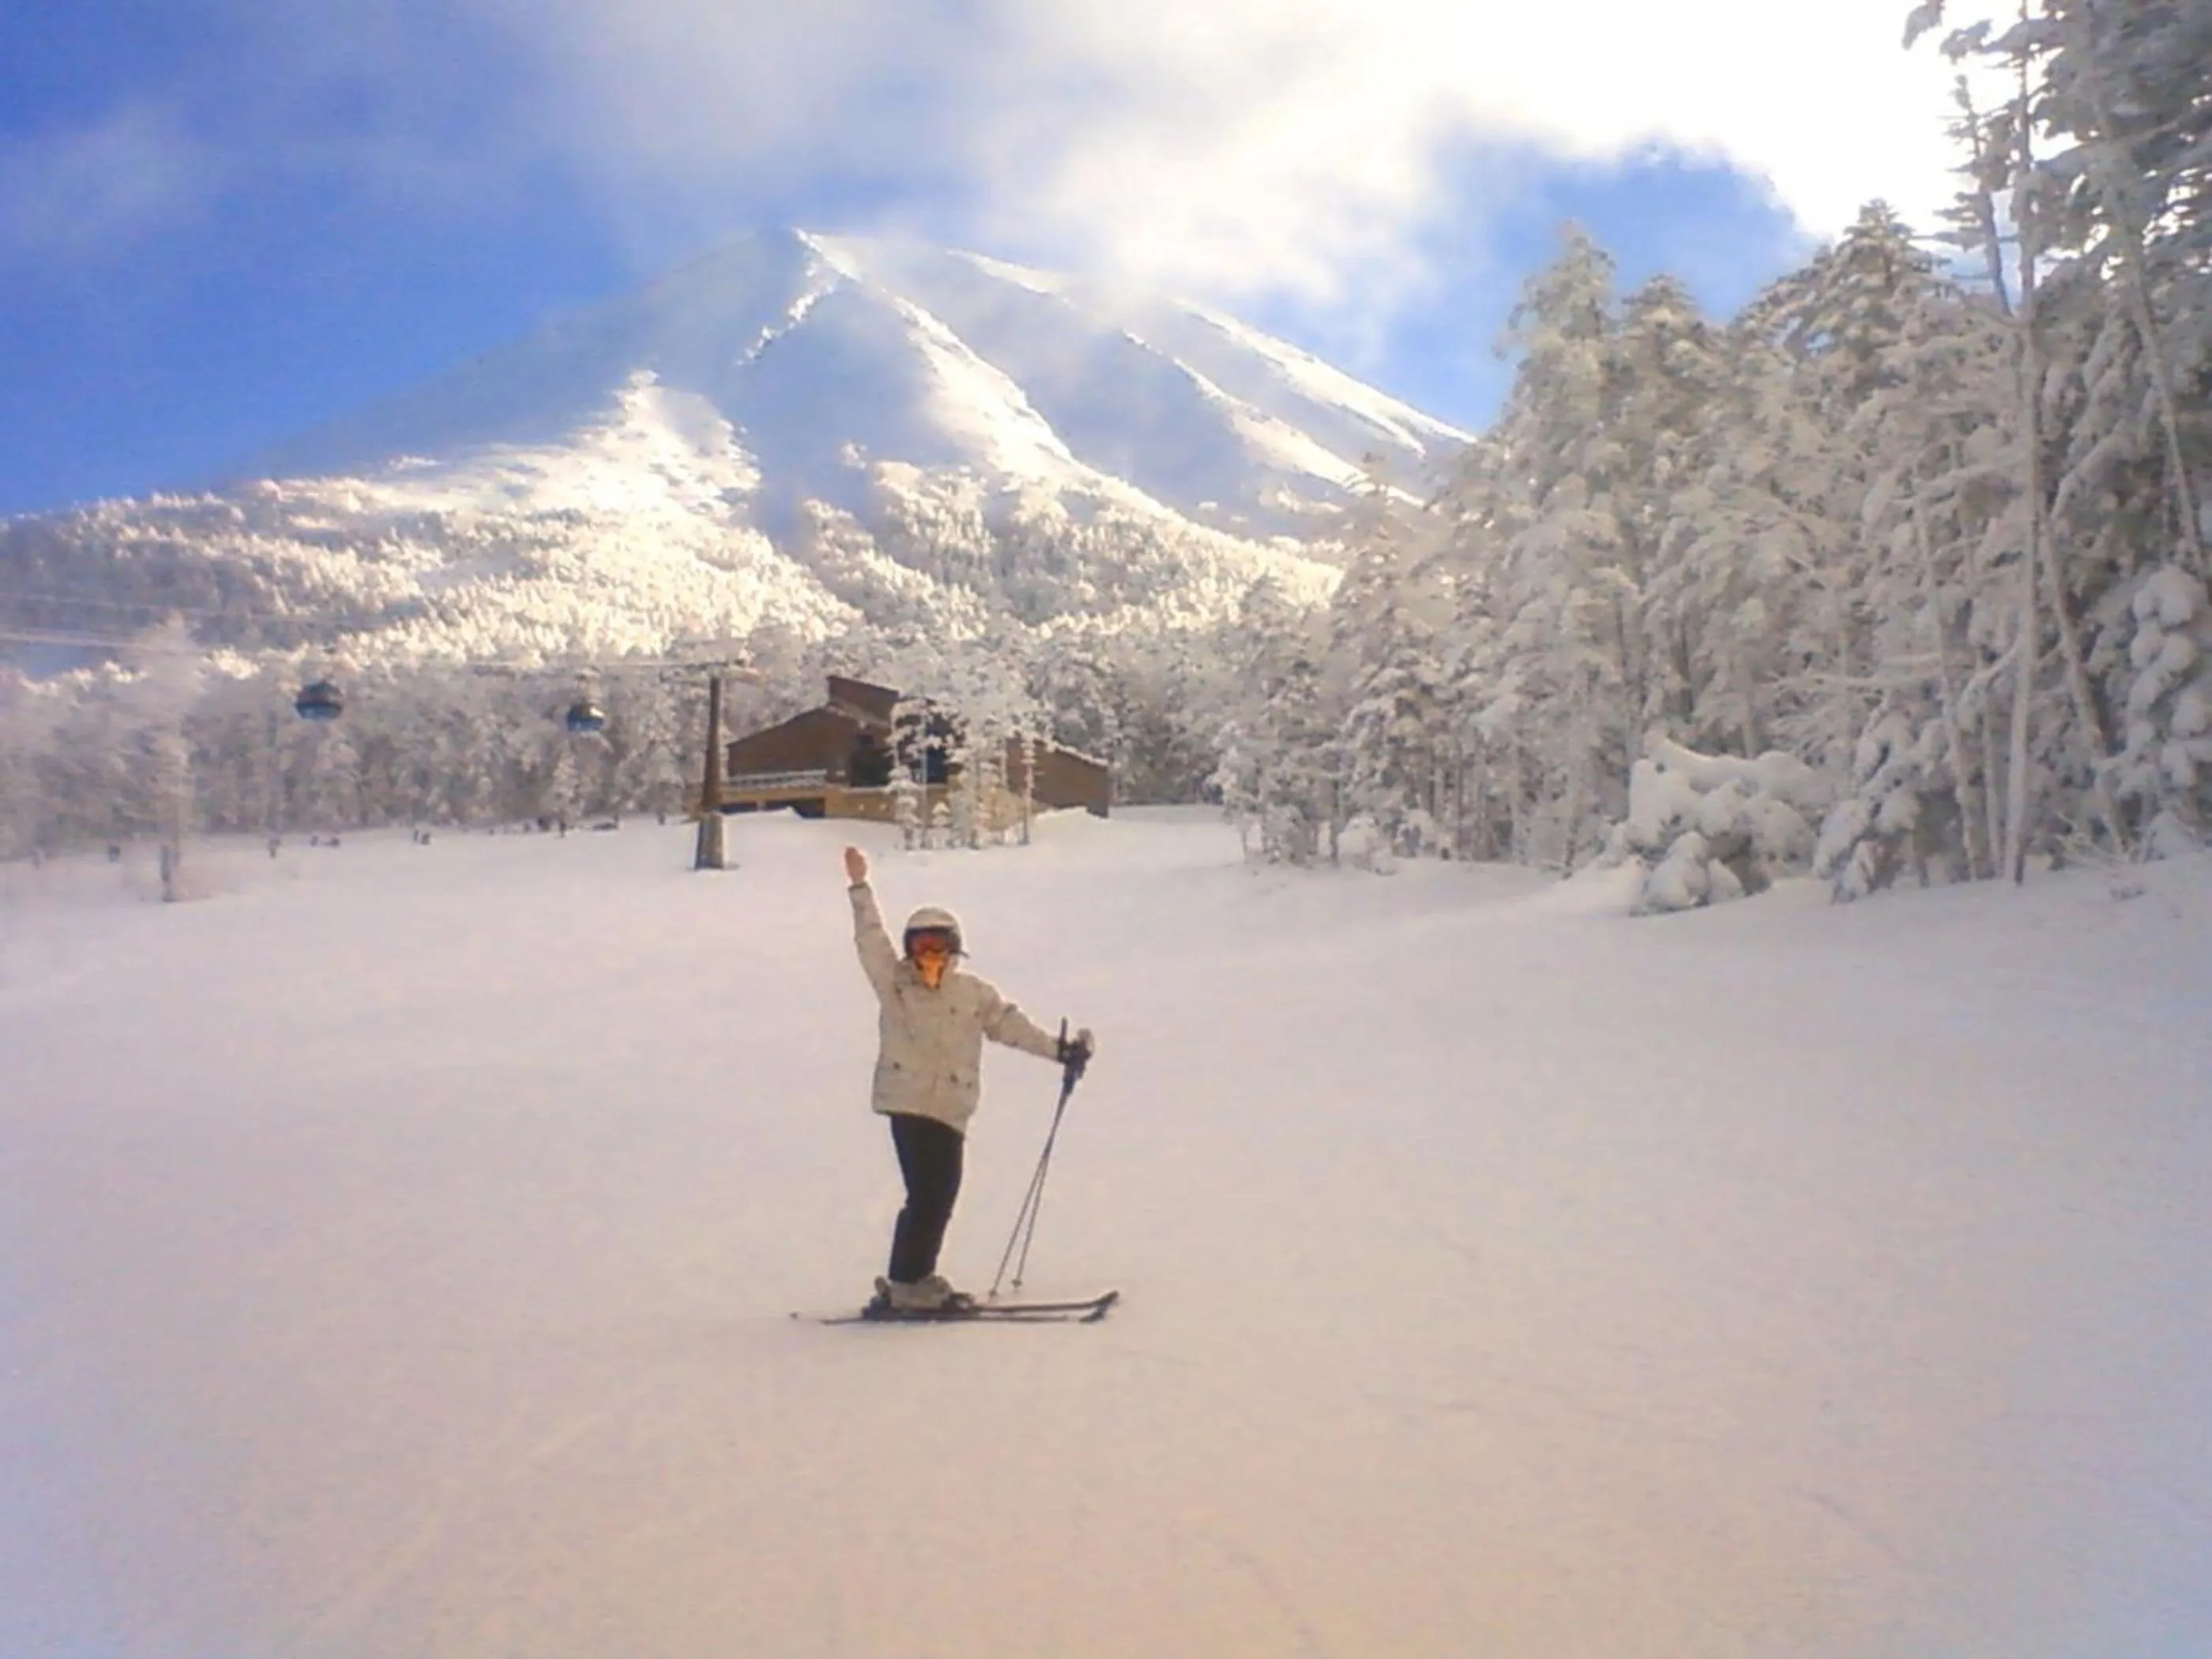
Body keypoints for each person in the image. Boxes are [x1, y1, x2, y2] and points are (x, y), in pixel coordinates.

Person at [843, 845, 1094, 1312]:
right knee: (930, 1193)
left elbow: (1012, 1028)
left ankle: (916, 1276)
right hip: (909, 1102)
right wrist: (860, 887)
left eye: (939, 944)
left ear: (955, 948)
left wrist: (1061, 1053)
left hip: (952, 1109)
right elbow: (870, 940)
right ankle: (906, 1284)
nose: (931, 954)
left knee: (940, 1195)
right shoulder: (896, 986)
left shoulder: (972, 993)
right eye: (921, 945)